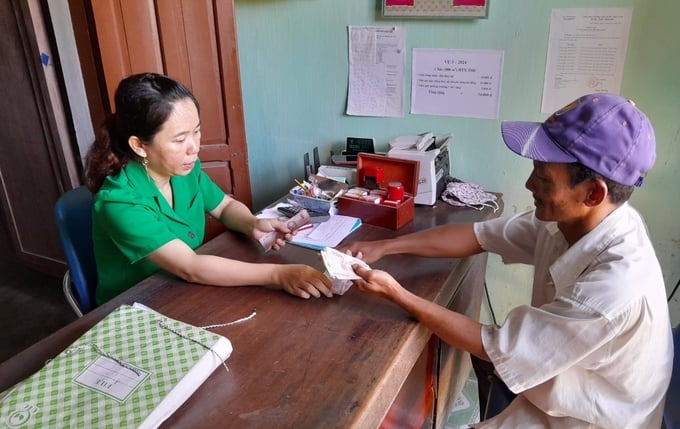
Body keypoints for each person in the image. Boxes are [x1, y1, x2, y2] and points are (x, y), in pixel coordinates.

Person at [342, 93, 673, 428]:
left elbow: (494, 345)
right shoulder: (575, 222)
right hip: (557, 391)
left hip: (587, 420)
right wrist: (384, 248)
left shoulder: (613, 288)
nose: (529, 184)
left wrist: (396, 293)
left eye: (544, 177)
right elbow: (477, 235)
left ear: (593, 194)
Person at [85, 72, 332, 305]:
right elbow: (189, 266)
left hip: (185, 288)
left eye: (197, 131)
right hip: (140, 305)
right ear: (139, 145)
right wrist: (279, 275)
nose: (194, 147)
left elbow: (224, 206)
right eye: (180, 140)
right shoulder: (119, 202)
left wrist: (251, 224)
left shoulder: (182, 170)